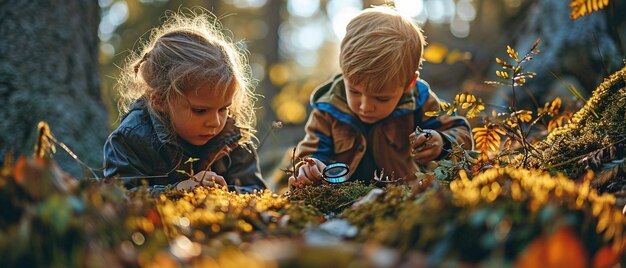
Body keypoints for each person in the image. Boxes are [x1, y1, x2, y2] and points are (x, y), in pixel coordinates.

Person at [289, 6, 473, 188]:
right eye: (354, 92)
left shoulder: (419, 101)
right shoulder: (328, 109)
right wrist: (310, 168)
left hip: (403, 197)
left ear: (409, 83)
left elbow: (462, 134)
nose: (365, 106)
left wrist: (441, 142)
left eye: (381, 98)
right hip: (339, 201)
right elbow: (311, 154)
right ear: (344, 73)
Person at [103, 10, 267, 193]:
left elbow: (257, 191)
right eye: (200, 111)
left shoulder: (232, 137)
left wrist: (220, 194)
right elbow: (119, 195)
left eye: (223, 109)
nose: (215, 122)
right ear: (159, 100)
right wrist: (177, 190)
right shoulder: (132, 137)